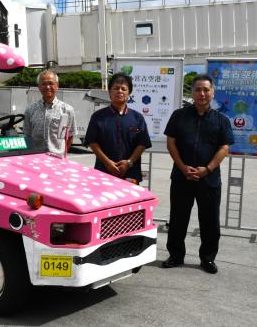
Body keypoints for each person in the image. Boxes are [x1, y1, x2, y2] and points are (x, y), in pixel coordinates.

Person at [162, 74, 234, 274]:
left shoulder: (221, 120)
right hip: (181, 177)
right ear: (192, 92)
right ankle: (175, 255)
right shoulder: (179, 115)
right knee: (178, 218)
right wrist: (183, 166)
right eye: (198, 89)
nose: (202, 93)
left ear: (212, 93)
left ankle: (208, 258)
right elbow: (171, 143)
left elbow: (224, 148)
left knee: (210, 221)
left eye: (206, 90)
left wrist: (208, 169)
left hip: (209, 179)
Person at [84, 72, 151, 183]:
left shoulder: (137, 118)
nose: (119, 91)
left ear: (129, 94)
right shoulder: (98, 116)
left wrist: (129, 162)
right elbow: (92, 142)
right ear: (110, 92)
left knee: (131, 200)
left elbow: (142, 144)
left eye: (123, 89)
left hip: (130, 173)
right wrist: (108, 163)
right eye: (116, 88)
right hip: (104, 173)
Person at [23, 69, 76, 156]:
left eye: (51, 83)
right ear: (39, 87)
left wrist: (60, 153)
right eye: (43, 84)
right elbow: (27, 135)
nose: (47, 87)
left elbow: (69, 136)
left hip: (57, 159)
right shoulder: (30, 109)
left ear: (57, 85)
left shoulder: (67, 110)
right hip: (35, 158)